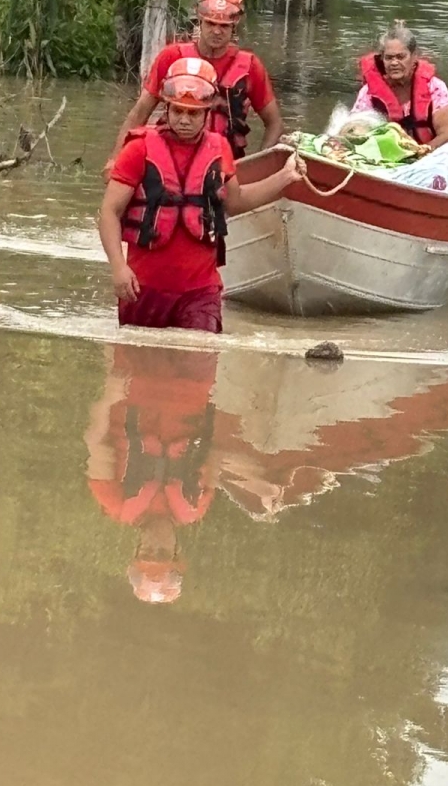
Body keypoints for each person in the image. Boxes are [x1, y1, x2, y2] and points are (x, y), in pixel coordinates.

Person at [99, 56, 303, 333]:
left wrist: (285, 177)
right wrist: (118, 268)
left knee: (201, 356)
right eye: (178, 111)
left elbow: (236, 202)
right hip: (143, 288)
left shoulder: (219, 148)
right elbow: (109, 212)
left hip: (201, 292)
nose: (184, 120)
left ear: (207, 113)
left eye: (193, 114)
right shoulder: (139, 148)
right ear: (167, 108)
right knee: (139, 360)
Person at [104, 0, 283, 178]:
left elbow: (274, 123)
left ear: (235, 24)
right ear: (200, 19)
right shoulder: (172, 57)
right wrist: (115, 159)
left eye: (224, 26)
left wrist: (257, 168)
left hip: (225, 169)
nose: (216, 31)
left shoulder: (250, 67)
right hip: (169, 165)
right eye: (211, 23)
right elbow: (139, 114)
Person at [85, 344, 221, 605]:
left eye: (147, 551)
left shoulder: (114, 502)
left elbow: (95, 440)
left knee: (138, 325)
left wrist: (109, 396)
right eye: (161, 552)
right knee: (201, 334)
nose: (154, 543)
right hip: (194, 388)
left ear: (136, 548)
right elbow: (216, 450)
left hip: (137, 385)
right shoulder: (196, 505)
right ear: (176, 551)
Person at [353, 21, 448, 151]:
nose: (394, 63)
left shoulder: (435, 87)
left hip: (432, 153)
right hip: (386, 155)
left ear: (414, 57)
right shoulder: (368, 93)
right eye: (389, 58)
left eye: (401, 57)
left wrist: (422, 152)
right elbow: (355, 127)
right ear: (382, 60)